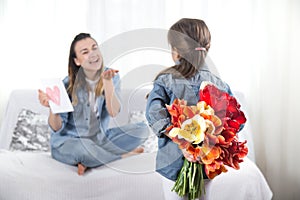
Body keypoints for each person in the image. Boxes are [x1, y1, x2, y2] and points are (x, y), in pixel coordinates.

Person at [145, 18, 234, 199]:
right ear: (207, 47)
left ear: (176, 51)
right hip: (206, 164)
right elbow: (235, 123)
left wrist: (181, 139)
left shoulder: (165, 79)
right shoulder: (220, 84)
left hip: (172, 164)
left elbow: (154, 113)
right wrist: (205, 141)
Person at [39, 33, 149, 175]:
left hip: (99, 139)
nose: (92, 54)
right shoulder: (67, 84)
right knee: (84, 150)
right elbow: (57, 127)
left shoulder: (111, 75)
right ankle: (122, 156)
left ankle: (90, 160)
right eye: (85, 52)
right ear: (77, 61)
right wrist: (53, 107)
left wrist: (108, 83)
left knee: (141, 130)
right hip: (69, 142)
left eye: (94, 48)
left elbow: (113, 112)